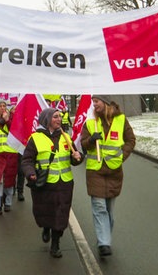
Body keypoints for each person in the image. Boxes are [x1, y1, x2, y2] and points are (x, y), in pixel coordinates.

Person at [21, 108, 83, 258]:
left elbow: (74, 159)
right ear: (47, 119)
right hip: (44, 184)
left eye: (60, 117)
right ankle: (46, 227)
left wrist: (77, 156)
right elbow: (27, 160)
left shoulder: (65, 137)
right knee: (45, 212)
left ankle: (55, 244)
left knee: (61, 214)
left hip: (64, 184)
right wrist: (30, 173)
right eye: (55, 117)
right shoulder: (35, 138)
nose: (59, 119)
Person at [80, 95, 136, 257]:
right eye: (93, 102)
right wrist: (91, 140)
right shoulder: (90, 122)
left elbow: (130, 140)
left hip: (114, 171)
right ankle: (104, 242)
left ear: (105, 103)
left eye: (96, 101)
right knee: (99, 208)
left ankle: (104, 238)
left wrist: (121, 157)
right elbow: (83, 144)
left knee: (110, 210)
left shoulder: (121, 120)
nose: (94, 105)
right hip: (95, 171)